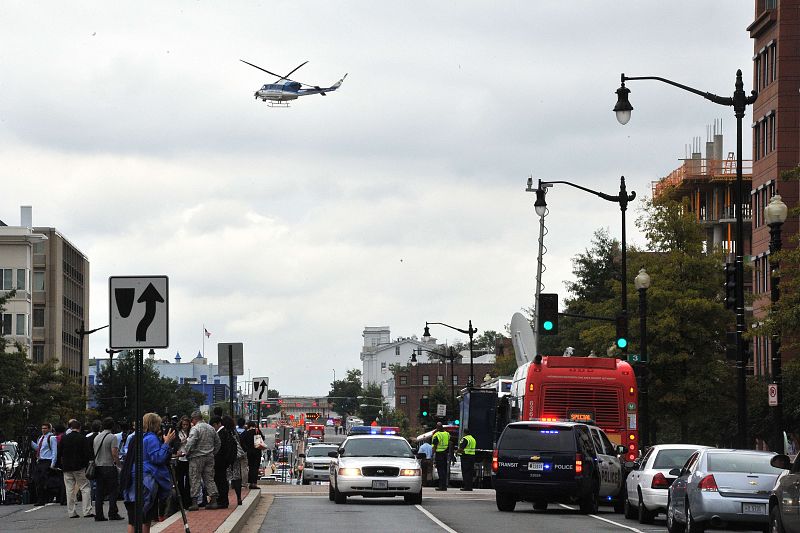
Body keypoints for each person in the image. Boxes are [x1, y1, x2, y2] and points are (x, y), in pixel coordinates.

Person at [119, 413, 176, 533]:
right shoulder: (151, 438)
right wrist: (166, 444)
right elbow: (158, 458)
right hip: (146, 480)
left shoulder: (135, 438)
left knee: (133, 519)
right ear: (154, 424)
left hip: (132, 478)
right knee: (146, 517)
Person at [183, 411, 220, 511]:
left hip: (196, 457)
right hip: (209, 456)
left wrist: (187, 452)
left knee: (195, 479)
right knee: (209, 478)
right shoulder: (211, 428)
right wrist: (213, 452)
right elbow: (218, 442)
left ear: (194, 419)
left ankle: (194, 502)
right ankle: (213, 501)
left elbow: (191, 442)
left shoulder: (195, 429)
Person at [59, 419, 94, 518]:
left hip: (67, 467)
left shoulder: (64, 438)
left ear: (70, 427)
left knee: (69, 489)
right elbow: (87, 453)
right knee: (85, 487)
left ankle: (71, 512)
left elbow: (59, 452)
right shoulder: (82, 438)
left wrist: (61, 465)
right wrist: (85, 463)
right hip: (79, 467)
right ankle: (87, 510)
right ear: (79, 428)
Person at [93, 417, 123, 521]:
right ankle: (113, 513)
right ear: (113, 426)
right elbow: (114, 453)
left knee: (99, 492)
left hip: (98, 466)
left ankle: (99, 514)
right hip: (109, 466)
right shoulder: (112, 437)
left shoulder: (97, 437)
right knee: (113, 491)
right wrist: (118, 465)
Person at [210, 415, 236, 508]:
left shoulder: (221, 433)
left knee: (220, 481)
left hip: (221, 462)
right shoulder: (226, 432)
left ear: (217, 424)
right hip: (224, 461)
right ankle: (222, 500)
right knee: (222, 481)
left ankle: (222, 501)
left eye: (213, 426)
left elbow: (221, 449)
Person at [31, 422, 59, 506]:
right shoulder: (41, 438)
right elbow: (38, 448)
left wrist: (53, 463)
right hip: (40, 460)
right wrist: (30, 442)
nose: (43, 430)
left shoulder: (52, 438)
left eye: (45, 428)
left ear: (49, 429)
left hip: (47, 461)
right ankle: (40, 499)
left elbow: (54, 451)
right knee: (38, 480)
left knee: (44, 481)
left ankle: (45, 498)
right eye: (42, 428)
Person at [223, 416, 247, 505]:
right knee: (237, 477)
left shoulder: (224, 432)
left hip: (226, 458)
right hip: (235, 457)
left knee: (225, 478)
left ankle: (225, 498)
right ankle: (239, 497)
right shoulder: (234, 432)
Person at [173, 416, 192, 510]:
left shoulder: (191, 432)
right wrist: (181, 441)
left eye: (186, 425)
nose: (185, 426)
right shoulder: (178, 433)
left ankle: (187, 502)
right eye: (183, 425)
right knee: (180, 481)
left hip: (188, 458)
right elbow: (175, 444)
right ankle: (180, 503)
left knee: (189, 481)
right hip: (180, 458)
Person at [240, 421, 264, 489]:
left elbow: (241, 439)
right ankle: (254, 483)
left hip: (249, 452)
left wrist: (246, 448)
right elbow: (263, 438)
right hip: (257, 451)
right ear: (254, 425)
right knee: (256, 468)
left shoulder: (246, 432)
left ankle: (250, 483)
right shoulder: (257, 431)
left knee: (251, 467)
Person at [431, 423, 450, 491]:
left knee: (440, 471)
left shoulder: (437, 435)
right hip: (445, 454)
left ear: (437, 427)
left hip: (439, 454)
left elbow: (435, 446)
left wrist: (432, 455)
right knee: (444, 470)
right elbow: (450, 443)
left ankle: (441, 486)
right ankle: (444, 486)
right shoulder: (447, 434)